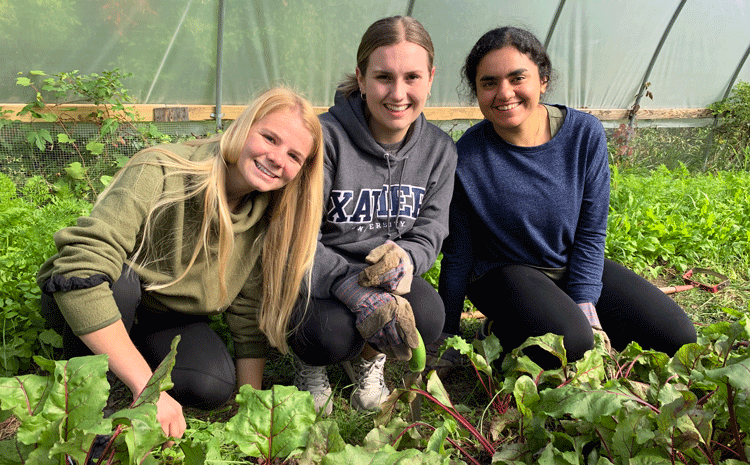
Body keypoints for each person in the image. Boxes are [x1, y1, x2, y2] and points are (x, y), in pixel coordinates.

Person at [37, 87, 325, 440]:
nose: (279, 158)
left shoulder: (268, 215)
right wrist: (147, 388)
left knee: (212, 384)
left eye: (294, 155)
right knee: (121, 286)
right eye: (269, 137)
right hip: (98, 294)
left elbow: (247, 314)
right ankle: (91, 398)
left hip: (164, 316)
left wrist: (252, 407)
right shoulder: (159, 168)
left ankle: (125, 358)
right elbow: (79, 268)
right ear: (243, 128)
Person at [439, 26, 697, 369]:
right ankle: (511, 324)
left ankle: (529, 324)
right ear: (477, 90)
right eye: (489, 83)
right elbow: (458, 253)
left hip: (566, 266)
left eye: (518, 78)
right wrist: (446, 334)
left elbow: (591, 232)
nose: (504, 93)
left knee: (676, 336)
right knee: (572, 344)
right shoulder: (466, 156)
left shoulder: (582, 135)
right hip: (502, 274)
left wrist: (585, 304)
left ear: (543, 80)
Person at [287, 16, 458, 414]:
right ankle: (310, 364)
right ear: (361, 79)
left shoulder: (439, 151)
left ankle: (366, 362)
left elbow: (431, 229)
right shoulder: (325, 139)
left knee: (429, 317)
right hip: (316, 275)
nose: (398, 93)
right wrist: (353, 287)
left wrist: (407, 260)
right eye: (384, 77)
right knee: (327, 335)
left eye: (412, 77)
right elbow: (298, 239)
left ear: (430, 79)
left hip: (383, 278)